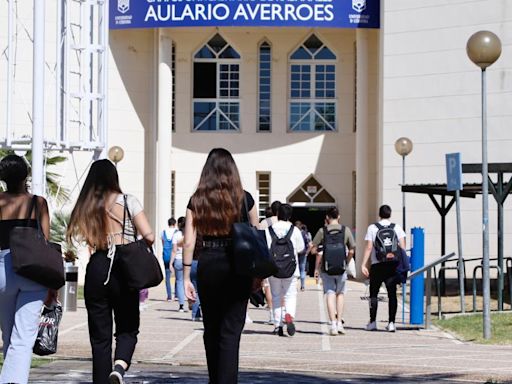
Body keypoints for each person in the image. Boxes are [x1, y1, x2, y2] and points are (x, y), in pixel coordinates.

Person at [67, 159, 154, 384]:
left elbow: (84, 238)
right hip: (124, 268)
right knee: (127, 328)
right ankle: (119, 367)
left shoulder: (87, 206)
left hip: (97, 266)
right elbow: (149, 235)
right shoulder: (128, 201)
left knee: (99, 337)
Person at [183, 148, 258, 384]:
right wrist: (257, 275)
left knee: (211, 328)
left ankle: (215, 379)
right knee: (231, 332)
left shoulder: (197, 199)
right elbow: (254, 236)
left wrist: (186, 276)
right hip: (237, 265)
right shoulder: (245, 199)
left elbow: (188, 241)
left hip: (208, 263)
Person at [0, 154, 56, 384]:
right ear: (26, 175)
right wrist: (53, 285)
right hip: (33, 270)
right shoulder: (38, 203)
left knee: (9, 334)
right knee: (23, 337)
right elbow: (46, 243)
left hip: (3, 269)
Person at [361, 204, 406, 333]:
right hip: (393, 266)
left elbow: (369, 247)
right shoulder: (397, 228)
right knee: (392, 294)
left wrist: (364, 264)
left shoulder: (372, 228)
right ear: (390, 214)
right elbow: (402, 247)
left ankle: (373, 322)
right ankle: (391, 323)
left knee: (373, 294)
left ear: (379, 214)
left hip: (377, 265)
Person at [312, 207, 355, 336]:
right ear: (339, 216)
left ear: (327, 217)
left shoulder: (322, 231)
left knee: (330, 293)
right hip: (341, 268)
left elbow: (313, 249)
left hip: (326, 268)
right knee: (340, 294)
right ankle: (340, 323)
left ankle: (333, 324)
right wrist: (346, 261)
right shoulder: (345, 230)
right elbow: (352, 250)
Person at [265, 204, 305, 337]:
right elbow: (300, 249)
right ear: (290, 215)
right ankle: (289, 315)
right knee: (290, 294)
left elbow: (265, 248)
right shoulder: (295, 230)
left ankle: (277, 325)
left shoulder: (269, 229)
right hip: (291, 269)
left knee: (276, 296)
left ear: (277, 214)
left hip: (273, 268)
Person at [259, 200, 281, 324]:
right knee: (281, 286)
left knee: (267, 286)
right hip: (282, 257)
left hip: (267, 256)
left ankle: (272, 314)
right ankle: (281, 313)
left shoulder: (264, 223)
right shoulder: (284, 222)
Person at [171, 216, 186, 312]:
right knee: (192, 282)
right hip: (189, 260)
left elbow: (174, 250)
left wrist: (170, 263)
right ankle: (194, 305)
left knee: (179, 282)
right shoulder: (190, 234)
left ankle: (181, 304)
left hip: (178, 259)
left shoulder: (176, 235)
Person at [162, 217, 177, 301]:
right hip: (174, 255)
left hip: (166, 255)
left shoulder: (163, 232)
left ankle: (169, 296)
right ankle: (177, 294)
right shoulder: (176, 232)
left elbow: (163, 243)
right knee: (177, 276)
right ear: (174, 224)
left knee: (167, 276)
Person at [296, 222, 312, 291]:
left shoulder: (294, 233)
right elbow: (310, 244)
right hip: (303, 253)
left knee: (295, 270)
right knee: (302, 269)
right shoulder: (304, 233)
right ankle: (302, 286)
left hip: (295, 253)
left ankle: (294, 287)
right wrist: (307, 252)